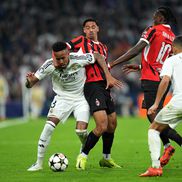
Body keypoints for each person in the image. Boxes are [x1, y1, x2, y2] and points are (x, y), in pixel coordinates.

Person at [27, 41, 121, 171]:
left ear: (68, 54)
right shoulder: (49, 64)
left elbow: (98, 56)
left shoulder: (78, 58)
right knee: (48, 127)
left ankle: (83, 152)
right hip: (62, 99)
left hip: (81, 99)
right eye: (57, 58)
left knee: (81, 131)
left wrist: (108, 75)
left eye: (63, 58)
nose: (60, 61)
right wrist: (29, 80)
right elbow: (30, 84)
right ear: (53, 56)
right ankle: (38, 163)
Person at [110, 7, 182, 167]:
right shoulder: (172, 37)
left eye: (155, 14)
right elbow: (162, 61)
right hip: (163, 78)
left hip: (150, 79)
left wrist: (114, 62)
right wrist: (141, 67)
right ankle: (168, 146)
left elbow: (137, 48)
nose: (153, 17)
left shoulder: (152, 30)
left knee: (153, 118)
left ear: (162, 18)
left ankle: (175, 143)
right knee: (156, 116)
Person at [67, 18, 122, 170]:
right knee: (102, 124)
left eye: (93, 27)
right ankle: (83, 155)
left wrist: (109, 78)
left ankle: (106, 158)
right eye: (87, 28)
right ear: (84, 31)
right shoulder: (80, 41)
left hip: (105, 87)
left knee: (112, 124)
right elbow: (63, 48)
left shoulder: (104, 47)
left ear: (98, 28)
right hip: (92, 85)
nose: (90, 30)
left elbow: (104, 65)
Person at [139, 35, 182, 177]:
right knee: (166, 127)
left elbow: (165, 81)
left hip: (179, 102)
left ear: (174, 48)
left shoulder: (171, 60)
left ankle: (155, 167)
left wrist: (156, 103)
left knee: (154, 129)